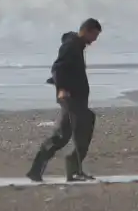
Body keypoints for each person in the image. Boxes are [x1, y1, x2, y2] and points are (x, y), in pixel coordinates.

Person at [26, 18, 102, 182]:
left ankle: (37, 170)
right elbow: (57, 68)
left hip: (75, 97)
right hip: (70, 97)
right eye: (94, 35)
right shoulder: (71, 45)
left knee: (62, 135)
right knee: (84, 124)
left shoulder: (77, 45)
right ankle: (73, 169)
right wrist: (61, 89)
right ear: (86, 30)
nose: (94, 40)